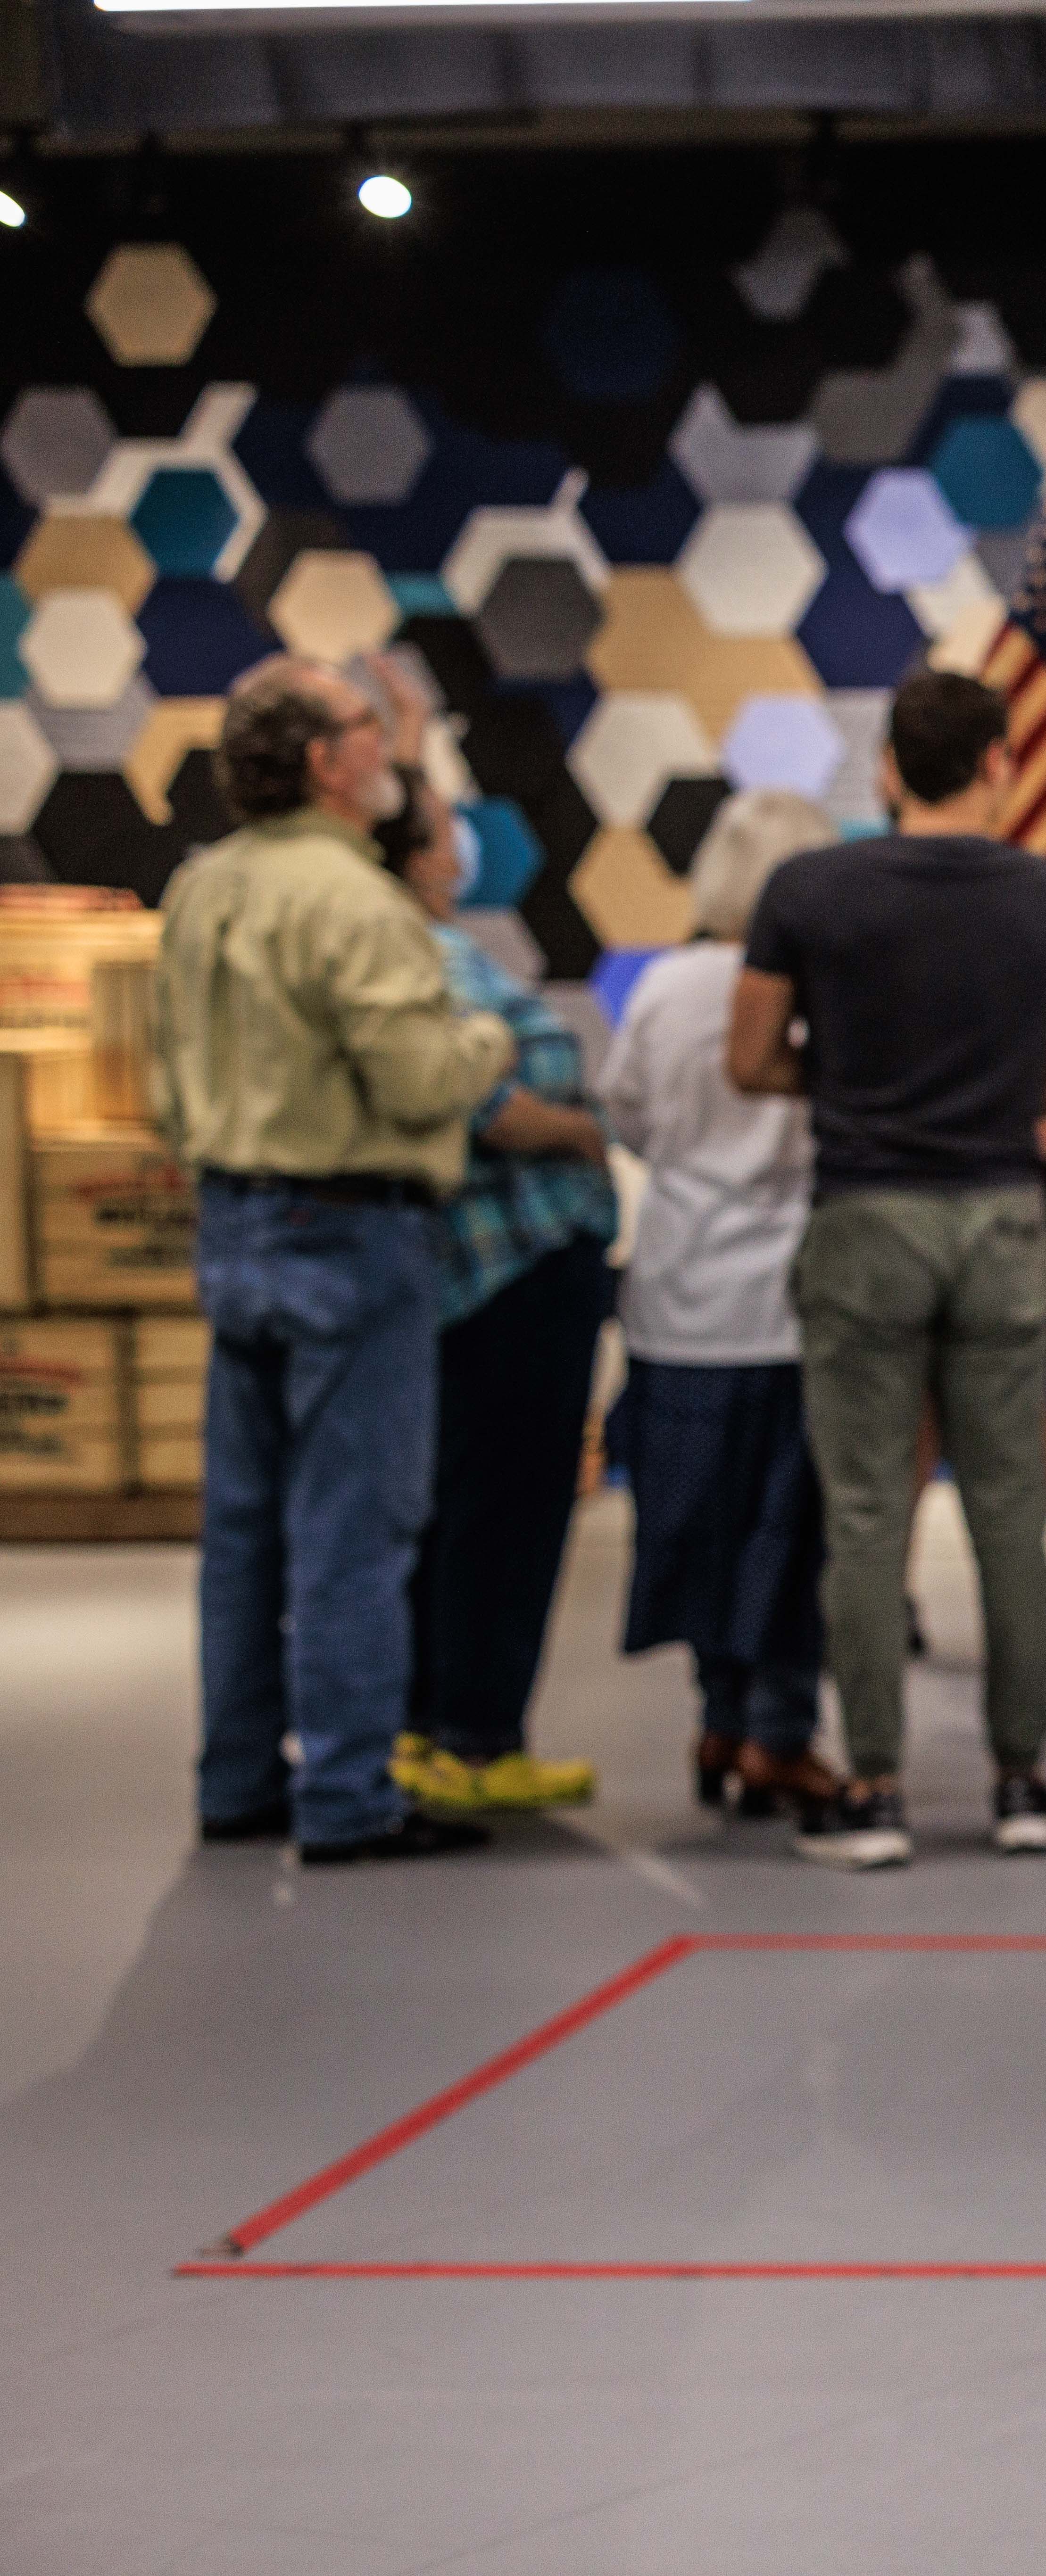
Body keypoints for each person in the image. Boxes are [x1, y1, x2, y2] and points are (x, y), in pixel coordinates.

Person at [729, 671, 1046, 1869]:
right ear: (1000, 762)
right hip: (1001, 1218)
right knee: (1011, 1508)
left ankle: (876, 1786)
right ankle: (1023, 1780)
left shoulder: (807, 890)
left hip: (864, 1217)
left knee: (865, 1512)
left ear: (888, 766)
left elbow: (750, 1059)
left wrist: (847, 1083)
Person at [152, 662, 515, 1864]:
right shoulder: (358, 901)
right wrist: (487, 1039)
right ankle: (350, 1796)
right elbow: (417, 1078)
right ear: (325, 761)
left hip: (234, 1223)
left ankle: (238, 1776)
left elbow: (165, 1075)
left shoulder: (202, 887)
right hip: (352, 1235)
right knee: (357, 1527)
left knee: (243, 1530)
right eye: (371, 727)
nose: (390, 749)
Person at [378, 760, 621, 1817]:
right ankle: (471, 1733)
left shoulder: (416, 943)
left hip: (498, 1271)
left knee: (476, 1505)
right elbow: (480, 1098)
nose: (459, 842)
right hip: (506, 1273)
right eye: (443, 827)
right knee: (501, 1510)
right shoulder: (422, 957)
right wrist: (579, 1133)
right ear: (418, 853)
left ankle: (447, 1725)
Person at [598, 788, 835, 1827]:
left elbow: (630, 1115)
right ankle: (781, 1733)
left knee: (700, 1524)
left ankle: (718, 1716)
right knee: (789, 1535)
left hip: (679, 1300)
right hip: (791, 1303)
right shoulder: (822, 990)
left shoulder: (664, 986)